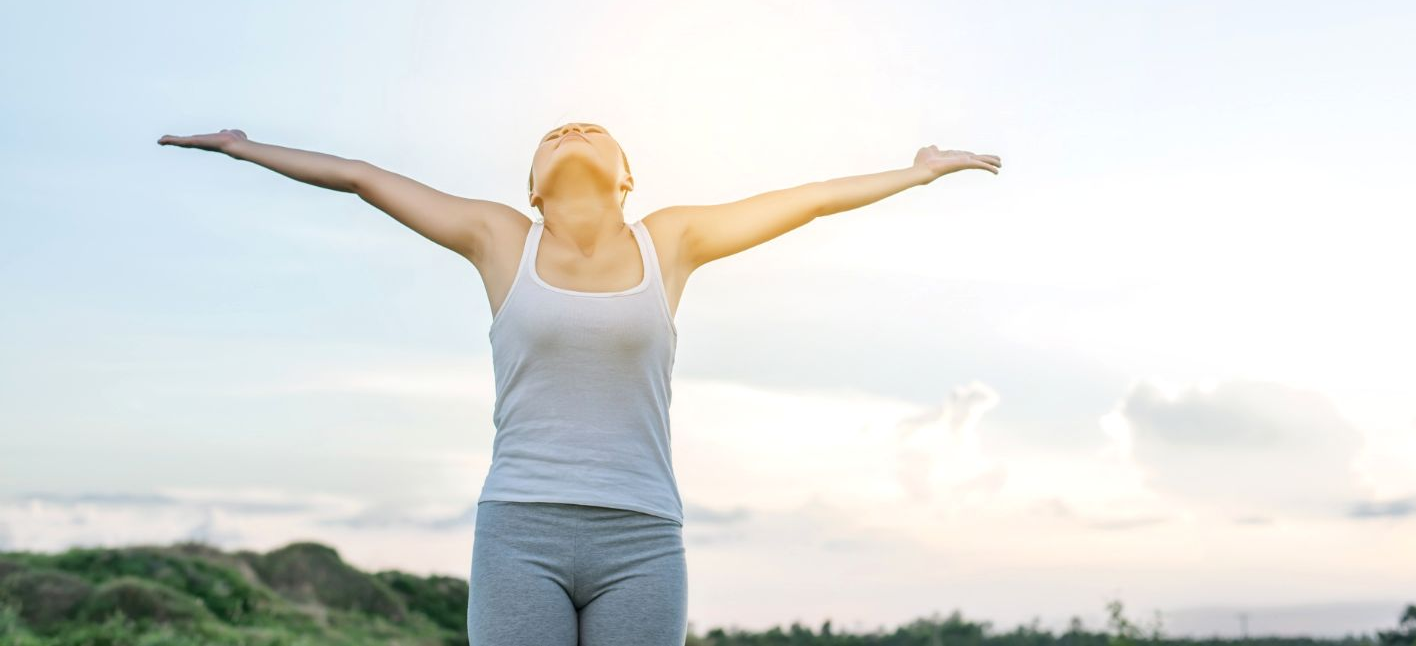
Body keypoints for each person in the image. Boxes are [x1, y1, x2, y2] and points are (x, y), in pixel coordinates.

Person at [157, 121, 1001, 645]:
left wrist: (914, 170)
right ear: (531, 183)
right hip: (519, 530)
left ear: (627, 174)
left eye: (591, 128)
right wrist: (245, 148)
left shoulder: (669, 241)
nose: (571, 131)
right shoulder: (498, 237)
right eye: (554, 131)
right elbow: (362, 175)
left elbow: (805, 201)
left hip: (641, 538)